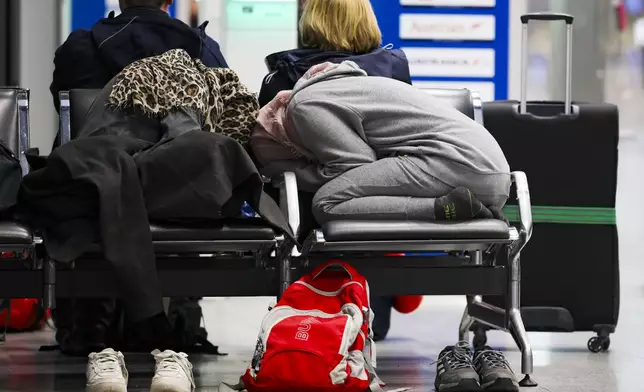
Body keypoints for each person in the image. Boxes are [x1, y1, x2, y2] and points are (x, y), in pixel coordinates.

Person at [254, 60, 511, 224]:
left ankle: (445, 208)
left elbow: (355, 162)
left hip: (456, 162)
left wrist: (290, 175)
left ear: (283, 143)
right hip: (491, 170)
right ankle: (475, 209)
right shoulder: (341, 85)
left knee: (326, 203)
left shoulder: (303, 109)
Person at [50, 0, 227, 113]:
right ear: (170, 0)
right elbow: (225, 113)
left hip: (94, 168)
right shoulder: (203, 50)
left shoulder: (79, 49)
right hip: (184, 169)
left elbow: (65, 111)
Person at [257, 0, 411, 107]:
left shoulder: (283, 76)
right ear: (367, 18)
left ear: (310, 19)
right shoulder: (394, 67)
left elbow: (264, 143)